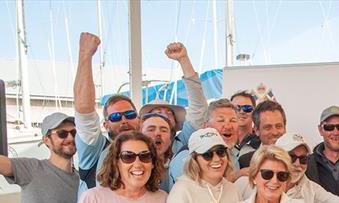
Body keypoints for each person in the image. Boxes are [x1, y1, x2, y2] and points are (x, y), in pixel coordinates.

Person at [73, 35, 205, 187]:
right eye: (115, 117)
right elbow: (84, 113)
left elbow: (198, 110)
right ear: (106, 125)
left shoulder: (180, 145)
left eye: (129, 114)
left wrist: (184, 60)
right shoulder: (97, 150)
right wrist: (85, 56)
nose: (124, 120)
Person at [169, 99, 241, 184]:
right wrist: (236, 176)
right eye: (221, 121)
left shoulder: (233, 157)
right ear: (207, 126)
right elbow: (195, 191)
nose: (228, 126)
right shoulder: (188, 155)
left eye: (233, 121)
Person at [235, 100, 287, 170]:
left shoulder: (299, 160)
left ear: (285, 128)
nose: (275, 132)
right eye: (268, 127)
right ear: (256, 130)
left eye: (278, 126)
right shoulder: (245, 162)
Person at [231, 90, 258, 158]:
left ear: (254, 112)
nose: (242, 111)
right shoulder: (221, 140)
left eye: (247, 108)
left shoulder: (262, 141)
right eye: (236, 108)